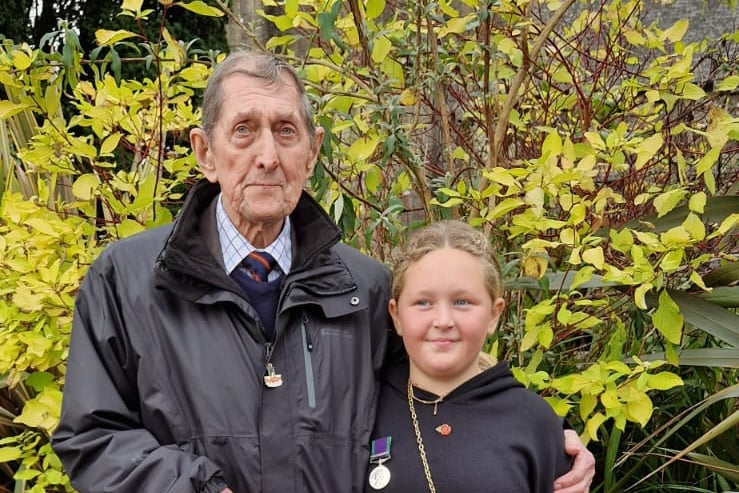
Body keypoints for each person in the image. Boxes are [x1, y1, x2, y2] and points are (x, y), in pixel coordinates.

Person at [51, 50, 594, 492]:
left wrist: (545, 441)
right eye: (244, 130)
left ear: (311, 154)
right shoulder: (128, 281)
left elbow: (437, 388)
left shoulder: (363, 288)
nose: (268, 155)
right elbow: (92, 436)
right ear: (205, 152)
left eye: (286, 131)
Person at [366, 220, 574, 492]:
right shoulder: (362, 411)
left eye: (462, 302)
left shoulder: (534, 422)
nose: (443, 321)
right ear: (396, 315)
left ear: (493, 314)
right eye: (423, 303)